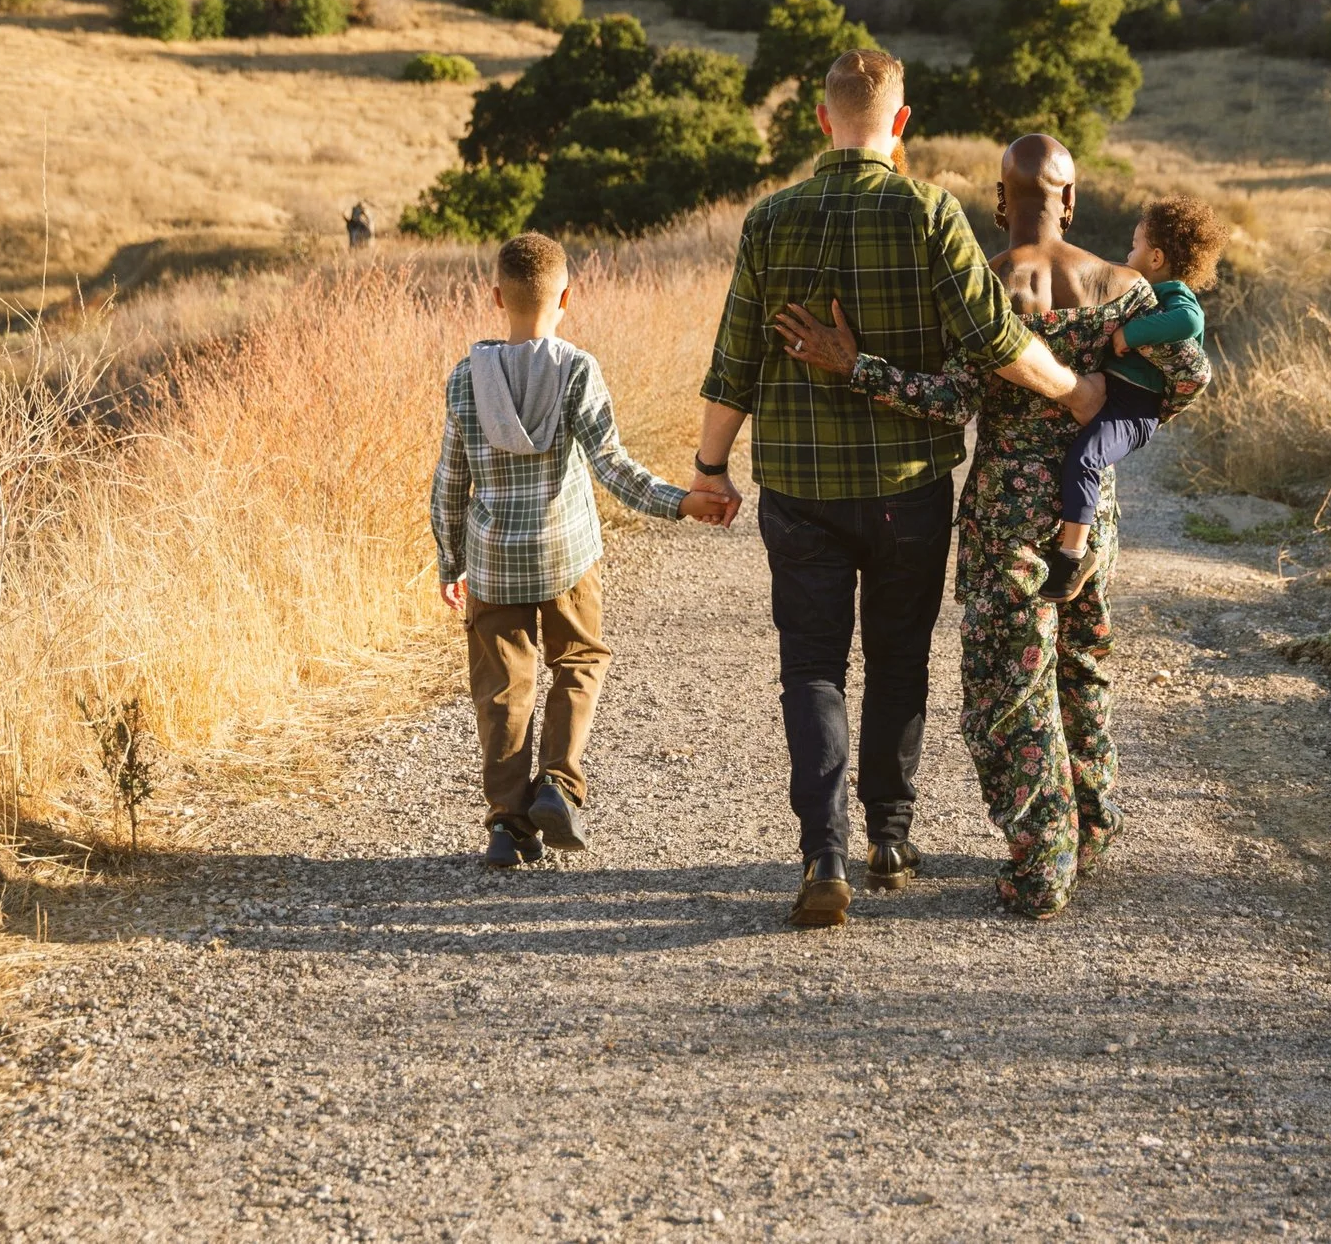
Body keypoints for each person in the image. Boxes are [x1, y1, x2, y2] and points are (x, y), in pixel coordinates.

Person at [693, 51, 1108, 929]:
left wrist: (709, 466)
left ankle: (824, 853)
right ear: (903, 122)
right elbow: (996, 338)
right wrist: (1073, 391)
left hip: (801, 485)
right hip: (905, 490)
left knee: (811, 666)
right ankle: (890, 834)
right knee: (896, 658)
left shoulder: (769, 221)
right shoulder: (930, 215)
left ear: (821, 118)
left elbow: (736, 357)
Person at [774, 136, 1211, 919]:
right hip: (1090, 514)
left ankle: (1042, 863)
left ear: (999, 202)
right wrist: (1113, 402)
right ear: (1071, 199)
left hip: (1004, 514)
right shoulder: (1128, 287)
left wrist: (854, 366)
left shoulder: (980, 286)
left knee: (1009, 688)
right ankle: (1088, 824)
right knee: (1081, 665)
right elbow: (1186, 371)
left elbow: (948, 400)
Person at [432, 232, 733, 870]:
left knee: (502, 688)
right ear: (567, 295)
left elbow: (449, 485)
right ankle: (559, 786)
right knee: (579, 660)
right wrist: (681, 500)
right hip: (566, 555)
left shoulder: (465, 379)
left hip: (491, 562)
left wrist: (449, 561)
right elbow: (612, 467)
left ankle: (507, 827)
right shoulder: (576, 371)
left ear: (495, 297)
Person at [1040, 196, 1226, 601]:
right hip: (1116, 399)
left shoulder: (1174, 295)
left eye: (1135, 245)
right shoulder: (1135, 293)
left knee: (1085, 458)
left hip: (1134, 410)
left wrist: (1130, 335)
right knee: (1073, 458)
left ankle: (1074, 556)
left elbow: (1190, 321)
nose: (1129, 253)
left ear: (1156, 257)